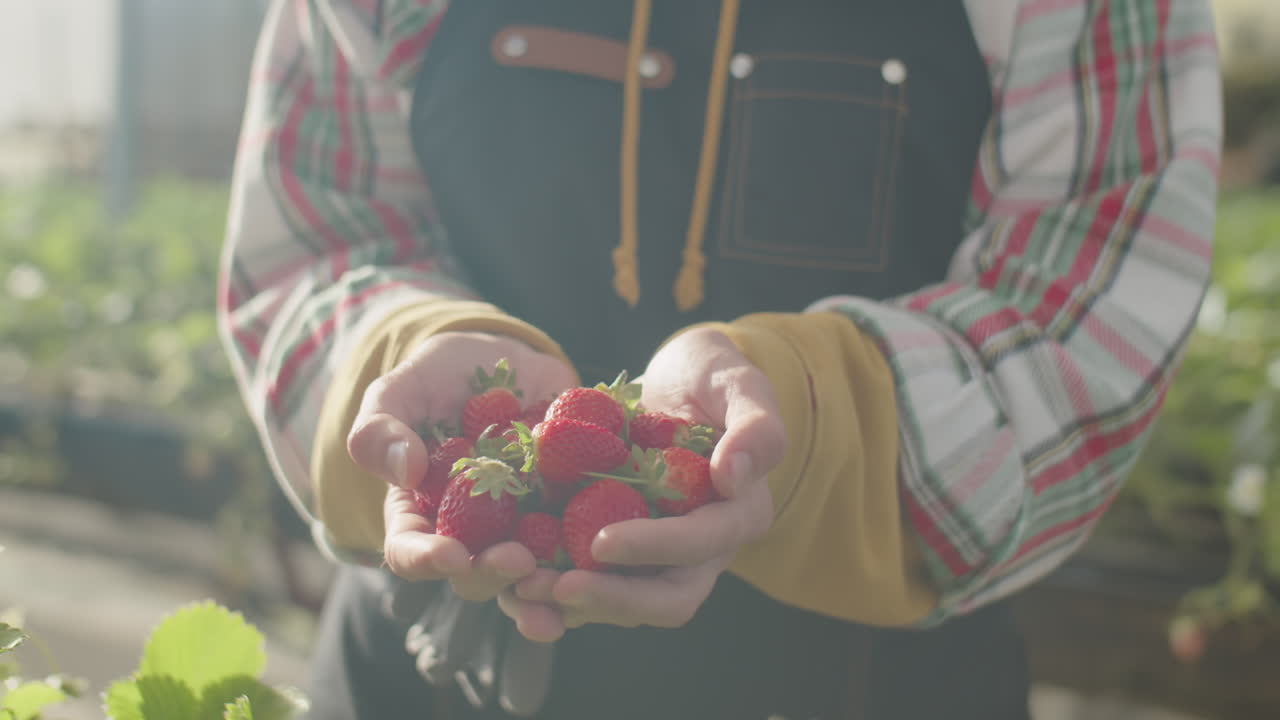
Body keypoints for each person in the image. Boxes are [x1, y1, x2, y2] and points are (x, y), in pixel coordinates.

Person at [217, 1, 1223, 718]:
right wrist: (418, 353)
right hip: (428, 660)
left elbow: (1079, 315)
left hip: (864, 680)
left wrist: (806, 419)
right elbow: (319, 239)